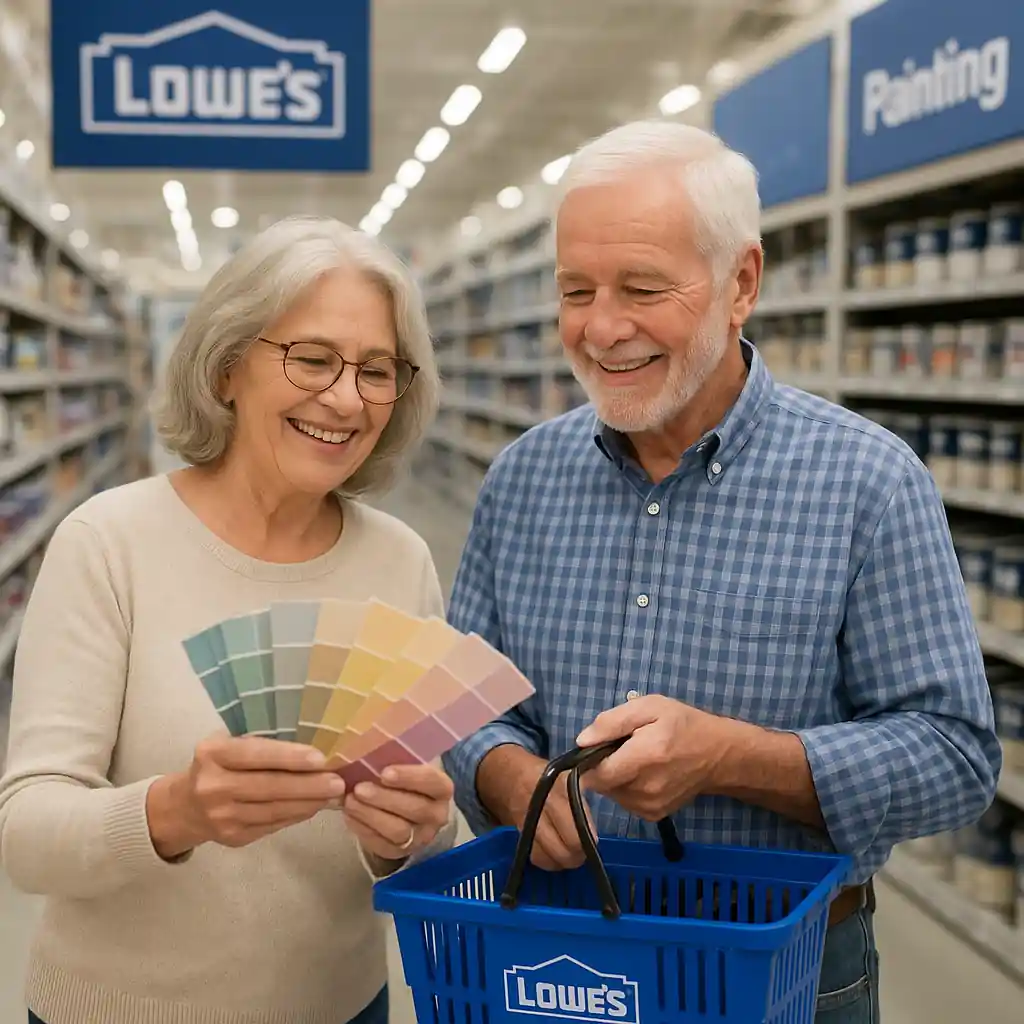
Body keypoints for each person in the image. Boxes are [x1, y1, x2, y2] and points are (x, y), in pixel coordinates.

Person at [442, 121, 1001, 1023]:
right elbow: (460, 697)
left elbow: (955, 756)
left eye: (643, 288)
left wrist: (735, 759)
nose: (601, 327)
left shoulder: (867, 481)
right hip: (558, 950)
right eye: (575, 290)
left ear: (742, 282)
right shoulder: (524, 479)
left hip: (785, 969)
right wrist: (505, 773)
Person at [0, 216, 457, 1024]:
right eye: (312, 359)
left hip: (342, 1006)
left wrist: (409, 838)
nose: (346, 399)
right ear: (224, 370)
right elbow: (26, 831)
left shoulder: (400, 563)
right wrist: (173, 812)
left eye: (377, 370)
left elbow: (413, 836)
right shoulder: (110, 543)